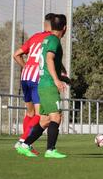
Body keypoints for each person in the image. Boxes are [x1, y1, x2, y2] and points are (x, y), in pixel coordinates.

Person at [17, 14, 68, 158]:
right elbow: (49, 59)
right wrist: (57, 80)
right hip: (49, 85)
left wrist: (62, 77)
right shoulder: (54, 41)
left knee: (44, 120)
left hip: (42, 83)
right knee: (56, 117)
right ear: (65, 28)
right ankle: (50, 150)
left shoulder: (46, 39)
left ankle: (25, 144)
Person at [13, 13, 55, 154]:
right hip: (37, 77)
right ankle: (23, 141)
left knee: (30, 113)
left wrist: (26, 67)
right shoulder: (51, 39)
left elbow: (16, 54)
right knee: (40, 114)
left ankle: (26, 144)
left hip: (25, 76)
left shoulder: (35, 37)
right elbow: (51, 59)